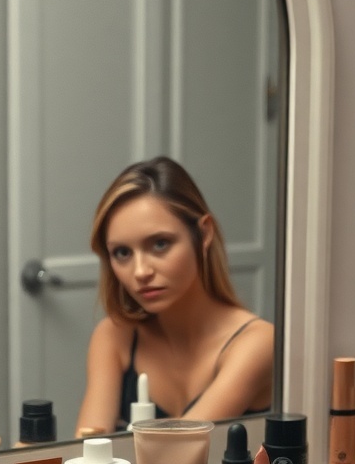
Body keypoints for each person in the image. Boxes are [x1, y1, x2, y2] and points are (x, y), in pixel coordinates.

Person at [76, 156, 274, 435]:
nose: (141, 271)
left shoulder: (258, 343)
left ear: (203, 233)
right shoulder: (114, 336)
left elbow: (177, 454)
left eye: (160, 244)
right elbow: (86, 454)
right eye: (122, 253)